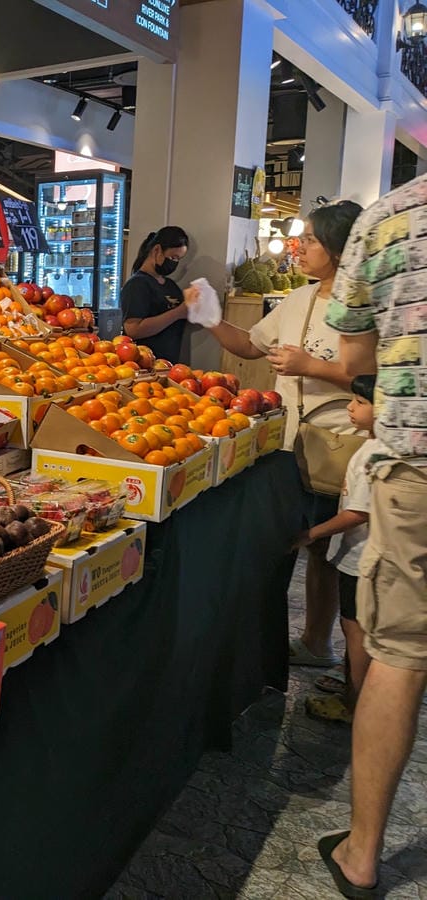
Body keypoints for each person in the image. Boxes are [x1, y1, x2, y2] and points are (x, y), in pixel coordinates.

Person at [317, 176, 427, 899]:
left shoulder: (392, 216)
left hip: (418, 467)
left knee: (400, 653)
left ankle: (362, 856)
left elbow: (353, 361)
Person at [206, 200, 363, 670]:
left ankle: (321, 643)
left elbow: (372, 380)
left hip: (340, 444)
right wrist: (208, 316)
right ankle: (297, 644)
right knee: (295, 543)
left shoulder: (364, 306)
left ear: (338, 248)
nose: (300, 247)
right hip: (287, 446)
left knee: (331, 554)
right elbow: (249, 345)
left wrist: (310, 366)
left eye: (310, 240)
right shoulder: (300, 299)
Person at [295, 375, 377, 725]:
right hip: (360, 557)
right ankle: (352, 687)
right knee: (353, 626)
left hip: (362, 560)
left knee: (355, 629)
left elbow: (358, 512)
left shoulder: (372, 455)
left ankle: (356, 704)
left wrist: (312, 533)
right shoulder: (374, 447)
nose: (350, 408)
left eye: (360, 403)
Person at [122, 226, 191, 364]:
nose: (175, 263)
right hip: (144, 365)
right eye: (173, 257)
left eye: (178, 259)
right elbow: (133, 329)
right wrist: (178, 313)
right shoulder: (137, 284)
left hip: (169, 366)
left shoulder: (171, 285)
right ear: (157, 250)